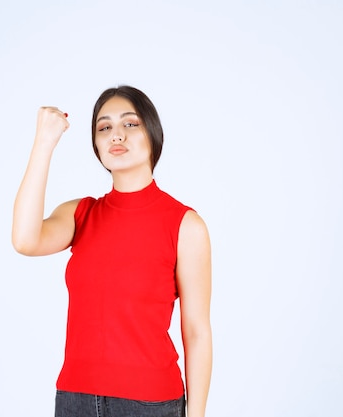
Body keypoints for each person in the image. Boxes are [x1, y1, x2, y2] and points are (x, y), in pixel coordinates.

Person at [12, 85, 212, 417]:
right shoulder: (80, 214)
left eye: (130, 124)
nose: (115, 135)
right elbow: (25, 240)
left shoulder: (185, 225)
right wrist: (44, 143)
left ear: (152, 133)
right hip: (75, 398)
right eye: (104, 128)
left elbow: (196, 331)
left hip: (150, 404)